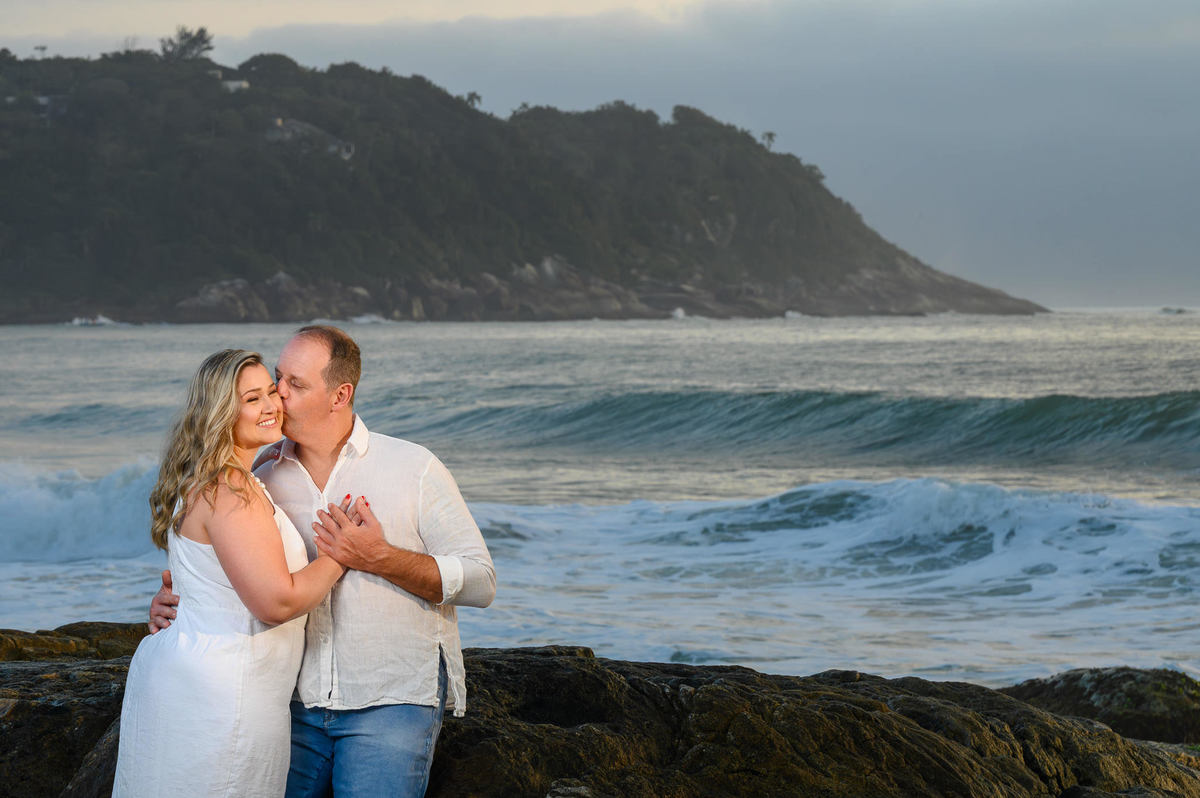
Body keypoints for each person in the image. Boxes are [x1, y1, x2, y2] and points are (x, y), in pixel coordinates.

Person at [150, 325, 496, 798]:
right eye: (277, 379)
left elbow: (481, 581)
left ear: (340, 395)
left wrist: (380, 557)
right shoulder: (261, 476)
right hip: (291, 703)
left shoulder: (413, 468)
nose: (278, 395)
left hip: (389, 701)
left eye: (295, 384)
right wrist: (181, 602)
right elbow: (222, 563)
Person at [115, 349, 347, 798]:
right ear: (221, 412)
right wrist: (341, 554)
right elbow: (276, 602)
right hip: (223, 692)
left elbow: (205, 580)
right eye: (252, 399)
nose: (271, 405)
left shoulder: (214, 479)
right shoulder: (230, 486)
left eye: (272, 392)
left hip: (200, 680)